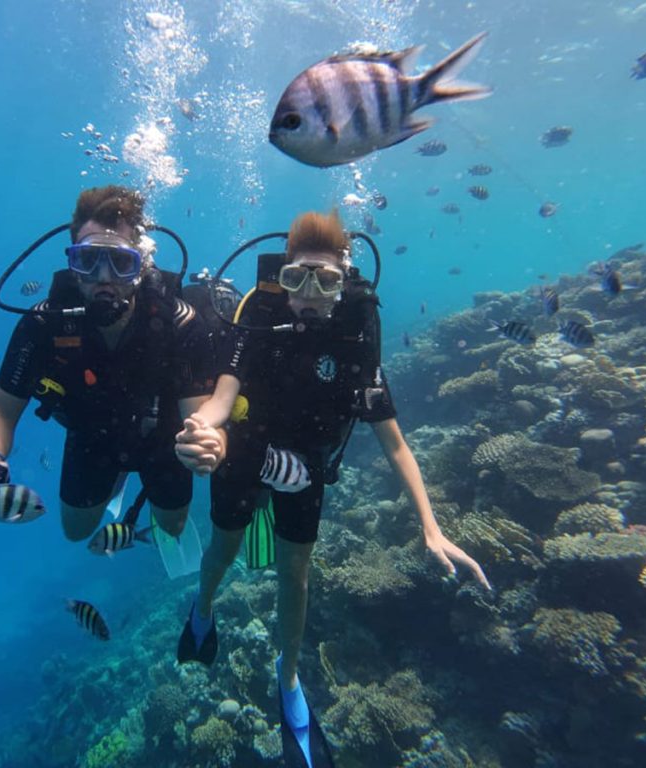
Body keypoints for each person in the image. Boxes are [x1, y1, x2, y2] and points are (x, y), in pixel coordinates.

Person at [173, 210, 490, 768]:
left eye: (326, 281)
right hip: (247, 451)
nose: (310, 296)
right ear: (282, 279)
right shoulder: (259, 317)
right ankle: (202, 610)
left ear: (345, 281)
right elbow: (222, 398)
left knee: (296, 573)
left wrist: (431, 527)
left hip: (305, 464)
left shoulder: (355, 339)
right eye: (297, 279)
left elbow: (395, 444)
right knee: (222, 551)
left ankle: (288, 674)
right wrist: (202, 428)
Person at [0, 186, 224, 568]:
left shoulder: (178, 321)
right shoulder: (42, 325)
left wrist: (209, 443)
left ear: (141, 265)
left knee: (172, 526)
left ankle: (136, 494)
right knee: (75, 531)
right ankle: (119, 479)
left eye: (120, 263)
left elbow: (200, 417)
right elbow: (0, 412)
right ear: (72, 263)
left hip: (163, 437)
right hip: (92, 435)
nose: (103, 279)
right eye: (88, 261)